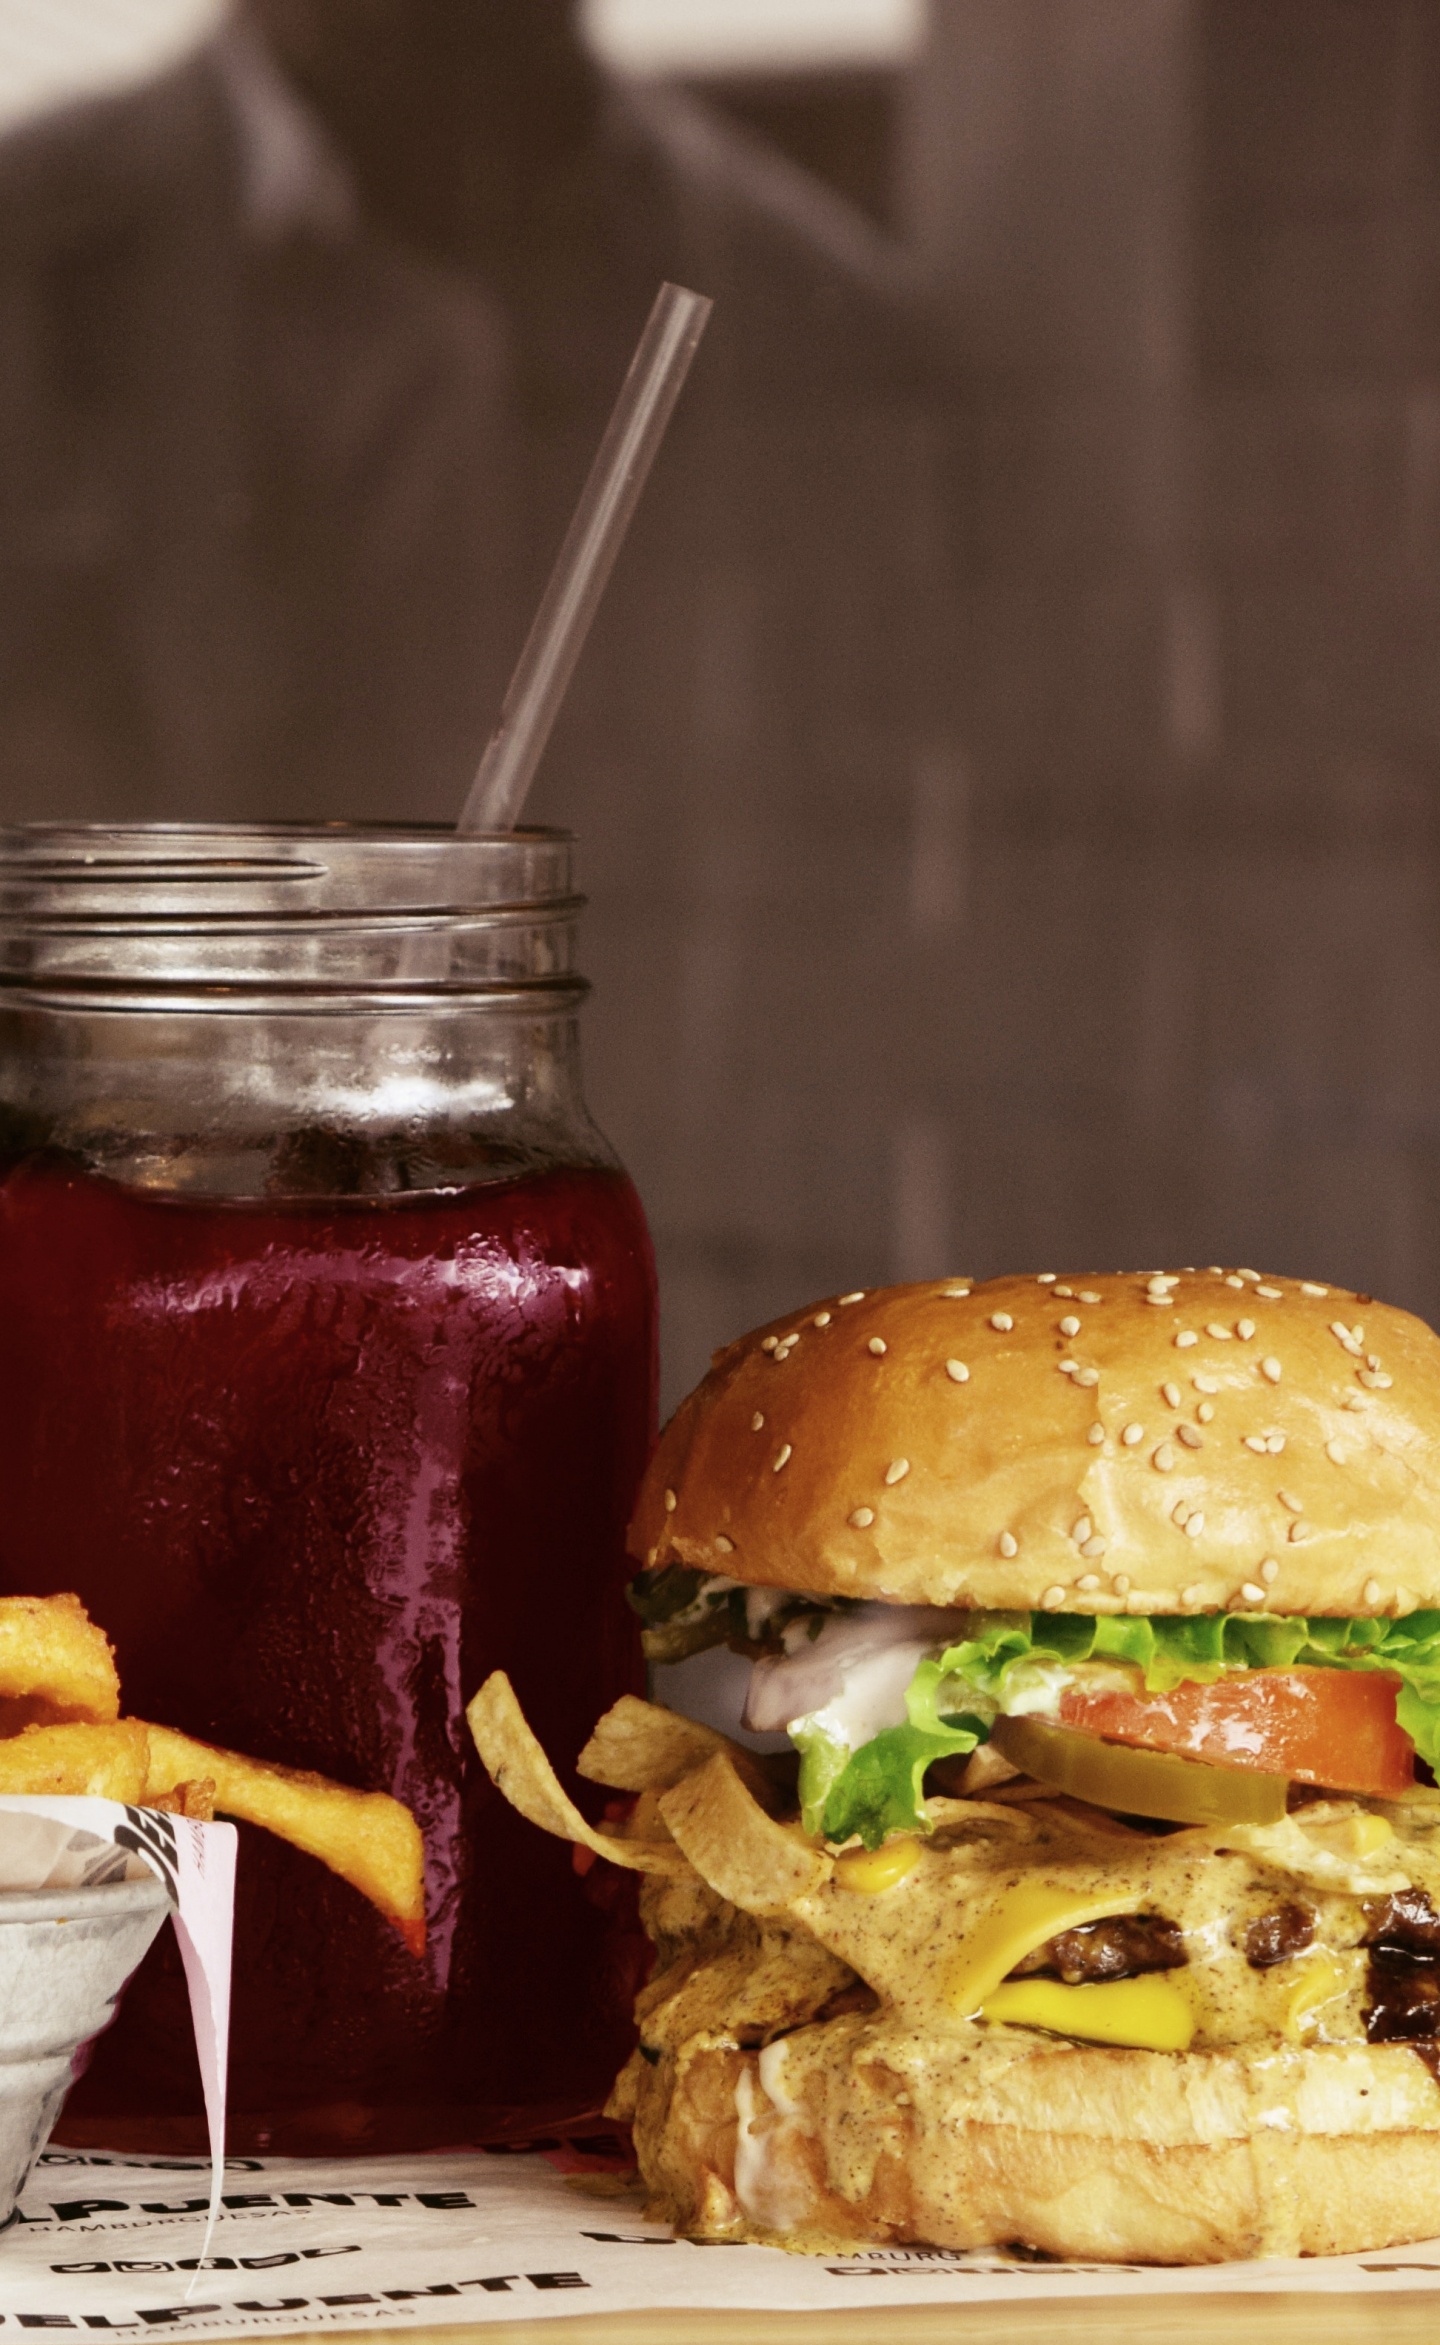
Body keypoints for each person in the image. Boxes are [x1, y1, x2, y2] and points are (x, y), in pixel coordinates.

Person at [0, 2, 953, 1390]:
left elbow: (888, 966)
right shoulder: (32, 268)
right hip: (92, 1376)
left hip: (651, 1370)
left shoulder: (819, 336)